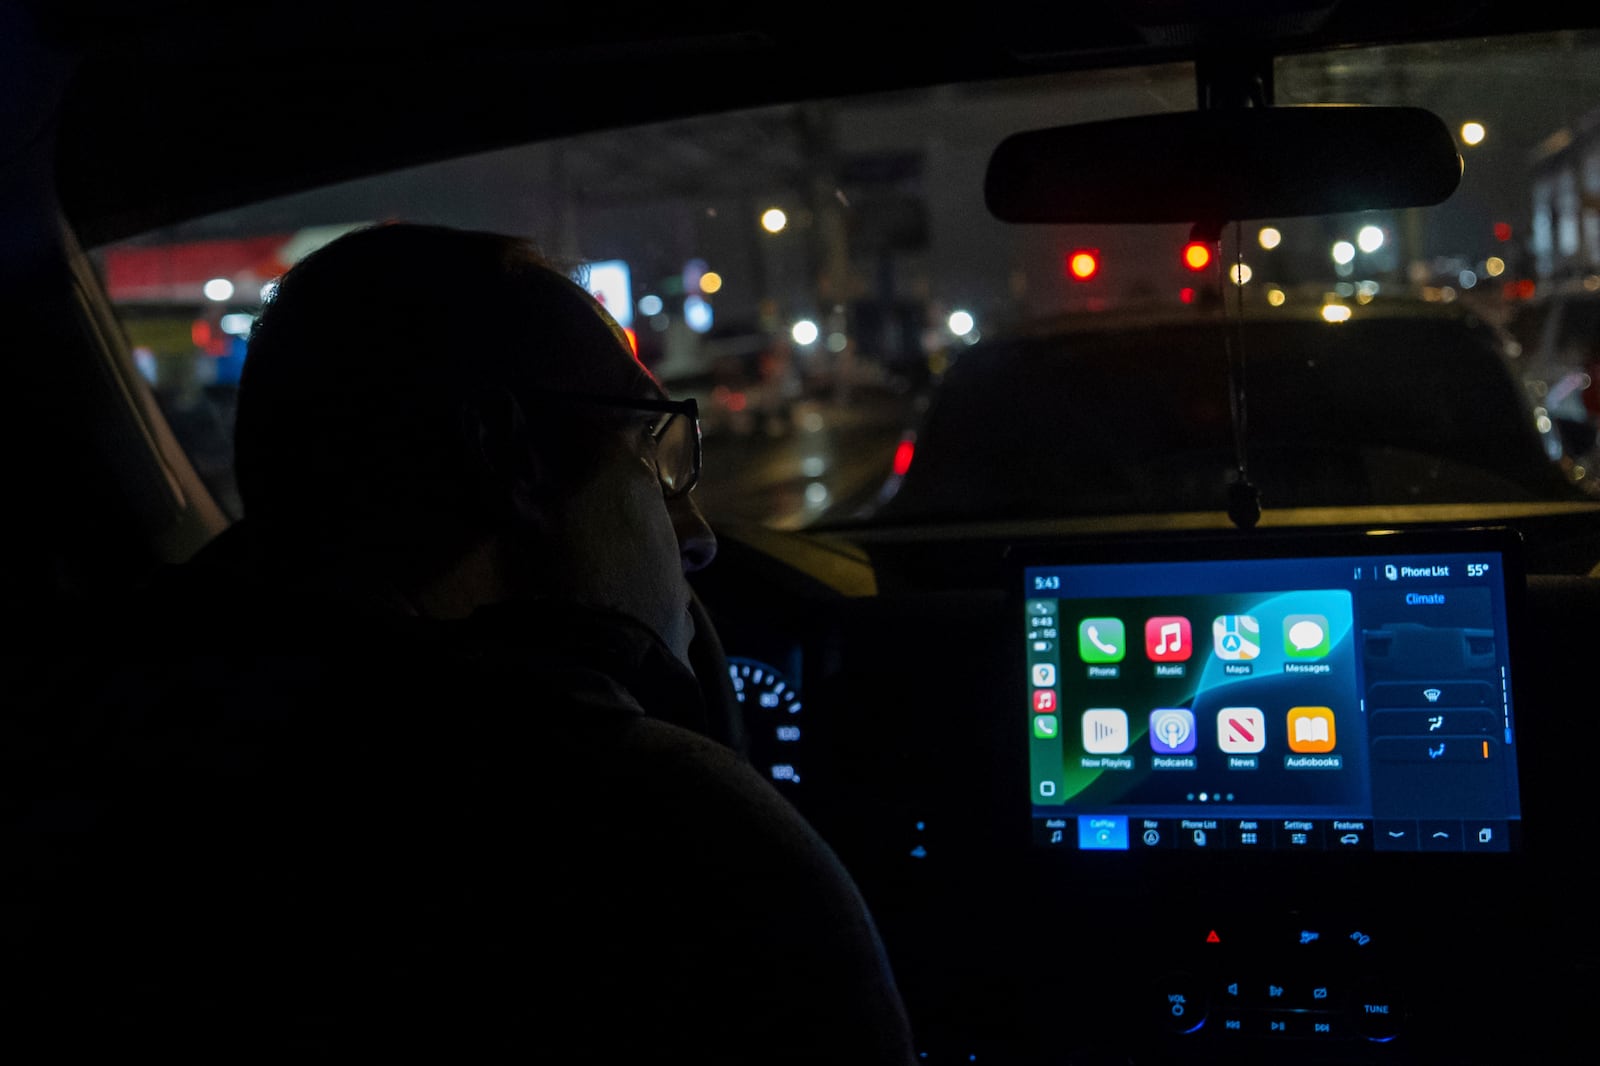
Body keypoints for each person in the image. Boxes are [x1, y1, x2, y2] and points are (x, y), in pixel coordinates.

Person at [7, 222, 917, 1063]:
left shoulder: (86, 753)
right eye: (650, 453)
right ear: (508, 457)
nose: (696, 531)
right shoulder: (663, 836)